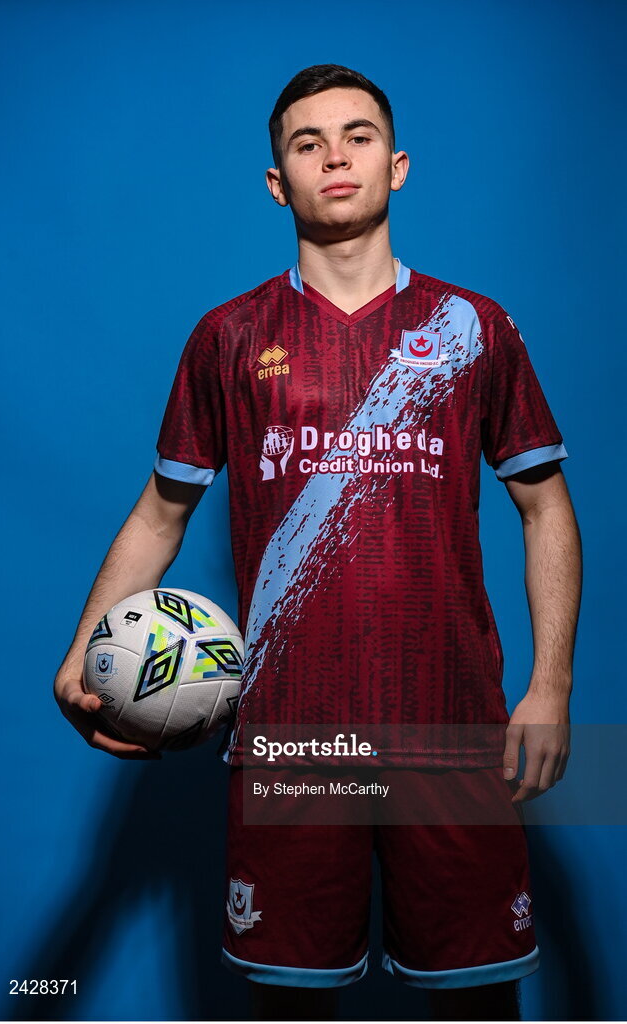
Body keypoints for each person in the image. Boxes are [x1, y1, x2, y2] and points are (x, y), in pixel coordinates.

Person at [54, 64, 582, 1022]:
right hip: (293, 736)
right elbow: (159, 515)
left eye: (358, 136)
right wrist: (83, 647)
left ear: (399, 164)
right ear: (277, 182)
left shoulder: (473, 327)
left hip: (447, 730)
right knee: (290, 1008)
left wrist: (550, 686)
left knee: (474, 1004)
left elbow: (545, 504)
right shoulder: (227, 337)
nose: (335, 157)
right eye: (308, 143)